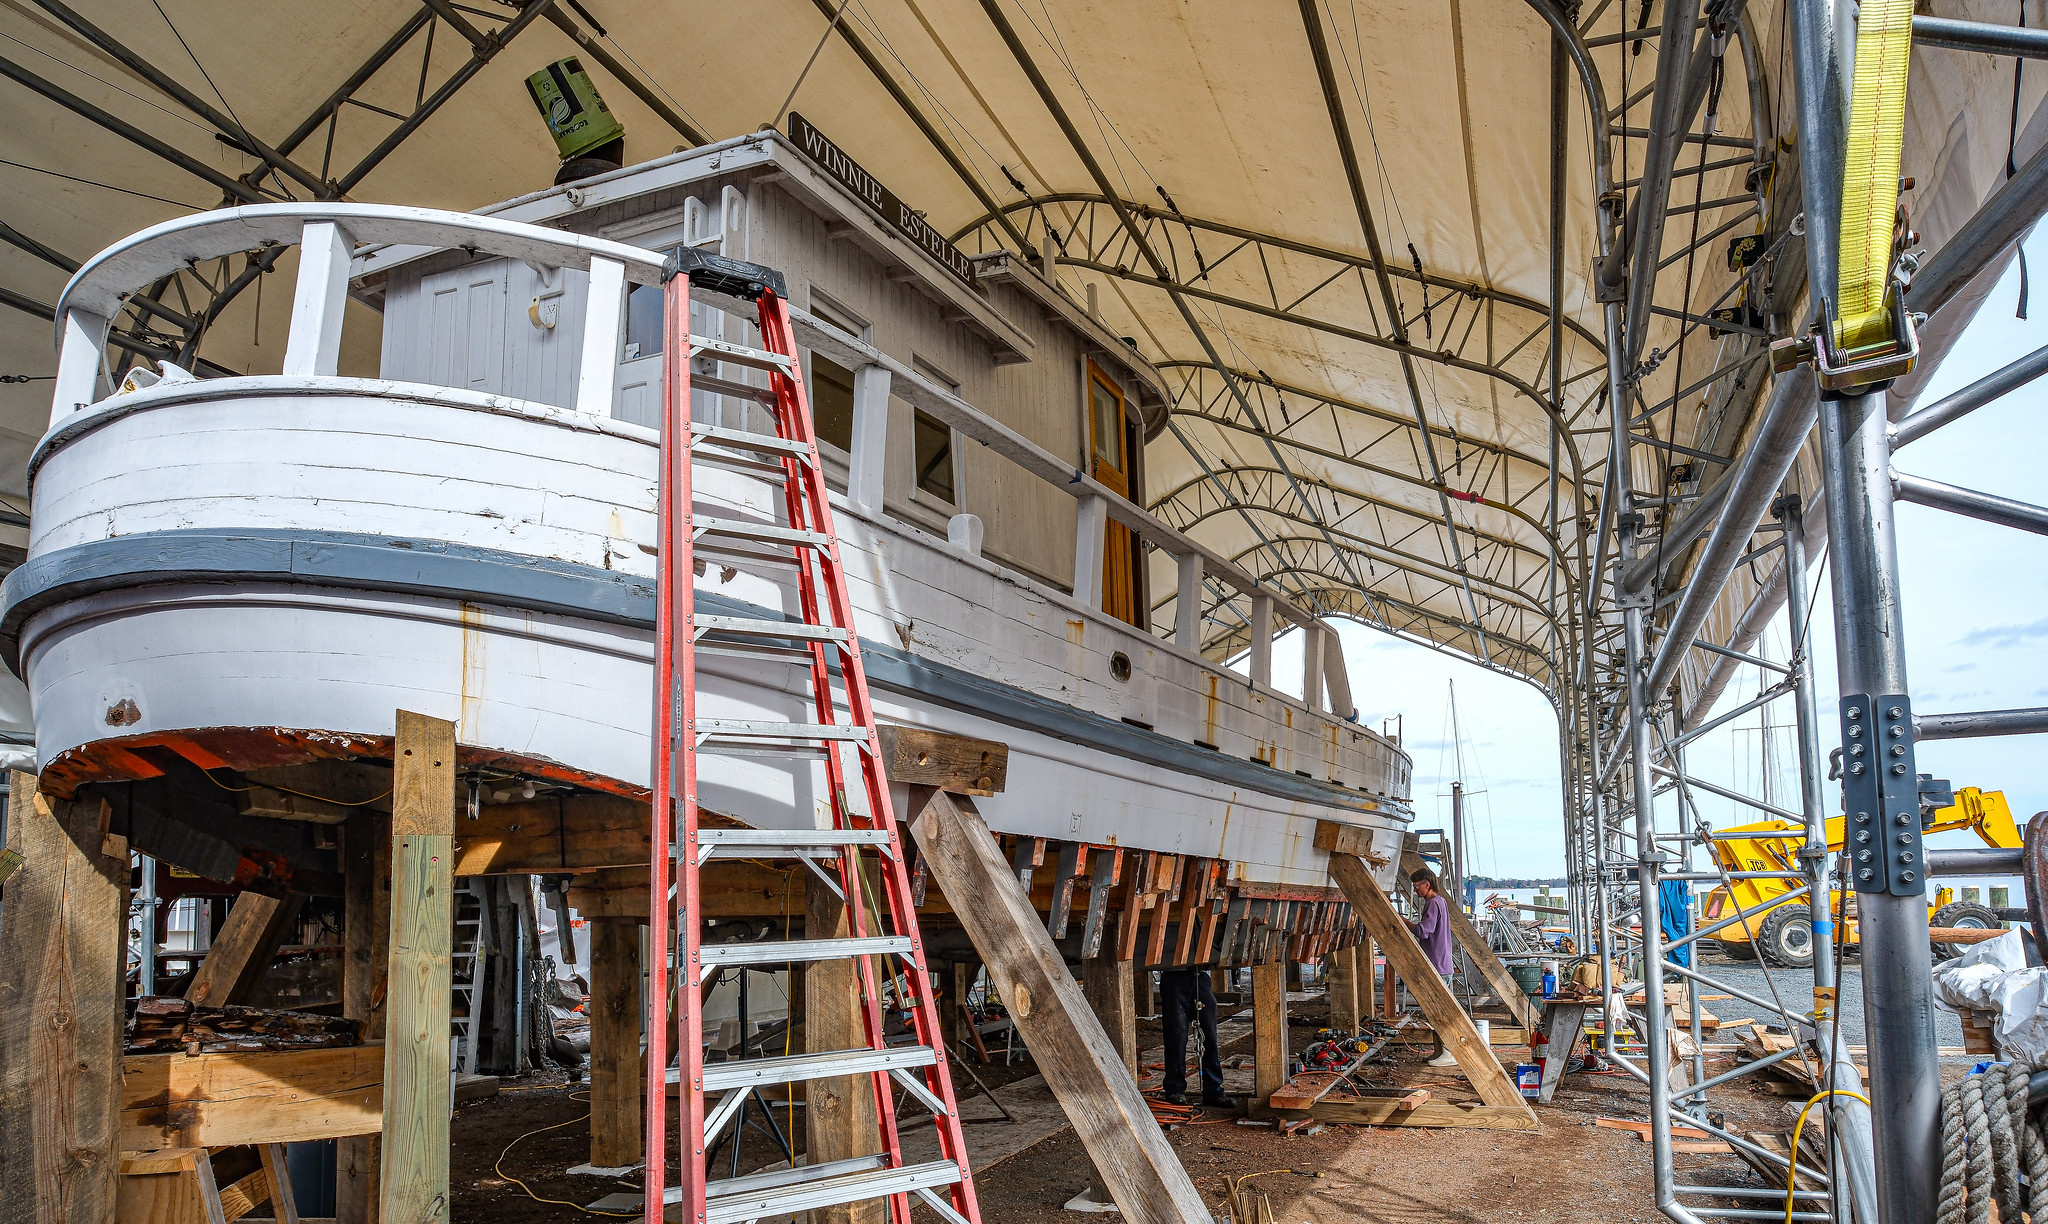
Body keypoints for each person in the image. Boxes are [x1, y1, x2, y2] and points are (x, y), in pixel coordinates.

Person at [1405, 867, 1462, 1068]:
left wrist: (1403, 922)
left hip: (1436, 965)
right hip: (1443, 963)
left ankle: (1448, 1052)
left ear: (1426, 884)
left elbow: (1423, 931)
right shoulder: (1441, 902)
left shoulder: (1432, 904)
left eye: (1416, 886)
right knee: (1437, 1010)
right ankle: (1440, 1051)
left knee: (1439, 1011)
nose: (1415, 890)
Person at [1157, 968, 1236, 1108]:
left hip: (1201, 977)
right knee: (1176, 1038)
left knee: (1209, 1036)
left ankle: (1213, 1090)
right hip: (1173, 978)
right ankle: (1174, 1089)